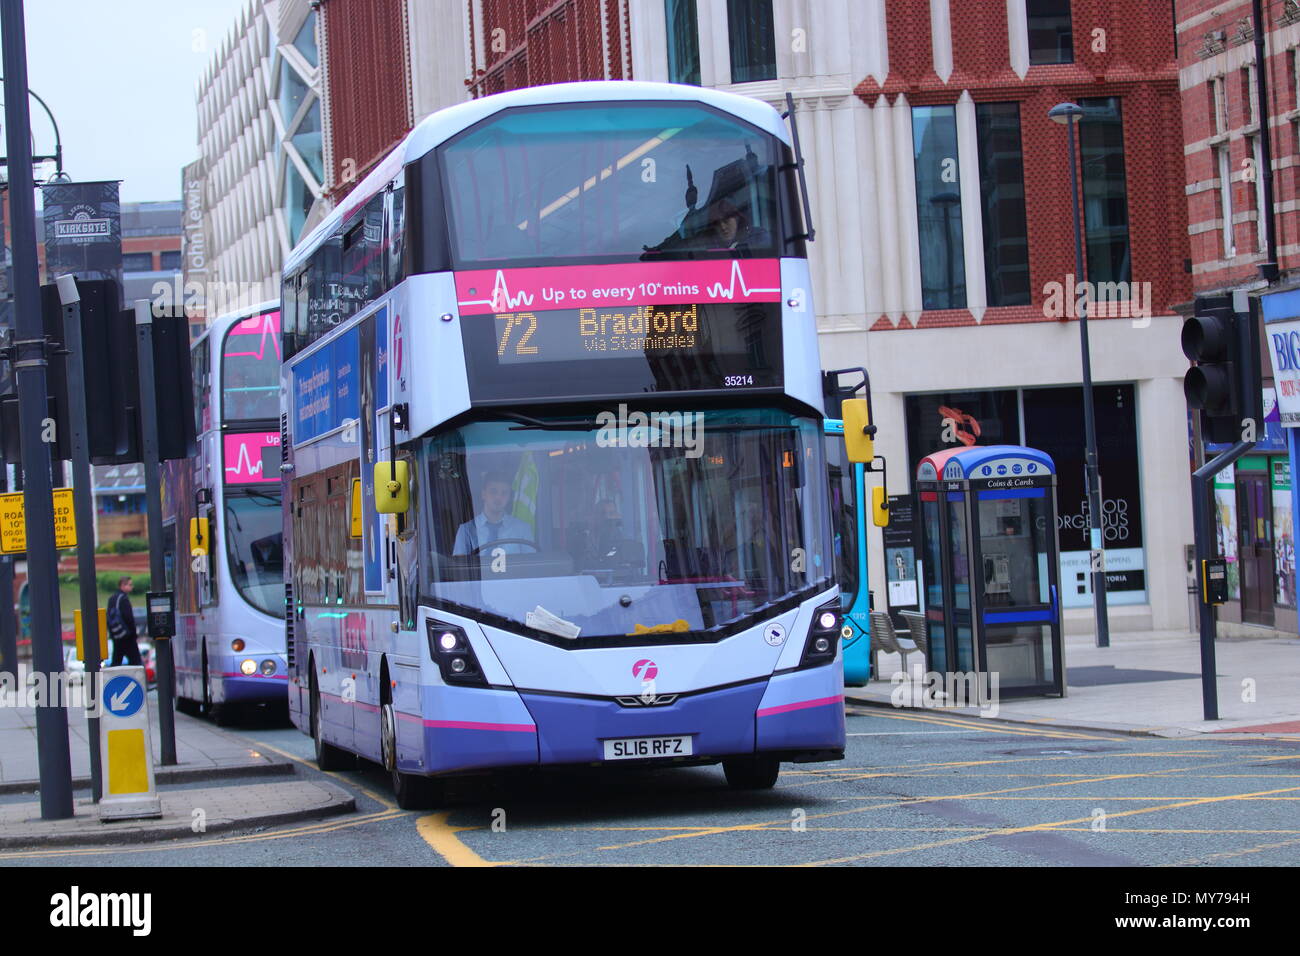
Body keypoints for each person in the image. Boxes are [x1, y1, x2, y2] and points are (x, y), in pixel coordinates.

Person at [453, 472, 533, 555]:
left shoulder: (522, 529)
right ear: (483, 494)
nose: (498, 497)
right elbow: (459, 566)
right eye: (493, 491)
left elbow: (531, 564)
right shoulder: (466, 531)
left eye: (504, 493)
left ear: (509, 497)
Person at [107, 576, 143, 667]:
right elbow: (128, 618)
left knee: (116, 661)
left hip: (116, 634)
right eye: (130, 584)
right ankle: (135, 680)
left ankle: (115, 679)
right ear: (123, 585)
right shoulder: (123, 599)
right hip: (127, 636)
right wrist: (134, 634)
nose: (132, 587)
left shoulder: (112, 598)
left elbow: (108, 617)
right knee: (136, 662)